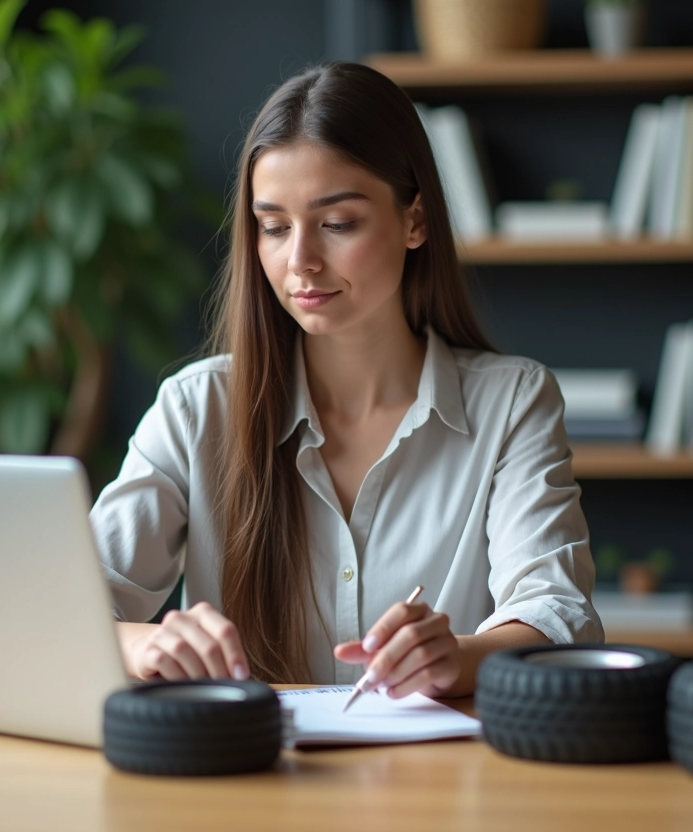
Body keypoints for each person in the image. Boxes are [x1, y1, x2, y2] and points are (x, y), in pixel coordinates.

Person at [91, 62, 602, 699]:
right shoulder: (197, 410)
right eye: (274, 227)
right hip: (243, 784)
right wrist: (145, 642)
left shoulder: (511, 403)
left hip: (440, 788)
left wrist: (457, 656)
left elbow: (559, 618)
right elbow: (66, 604)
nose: (300, 260)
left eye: (337, 224)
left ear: (415, 221)